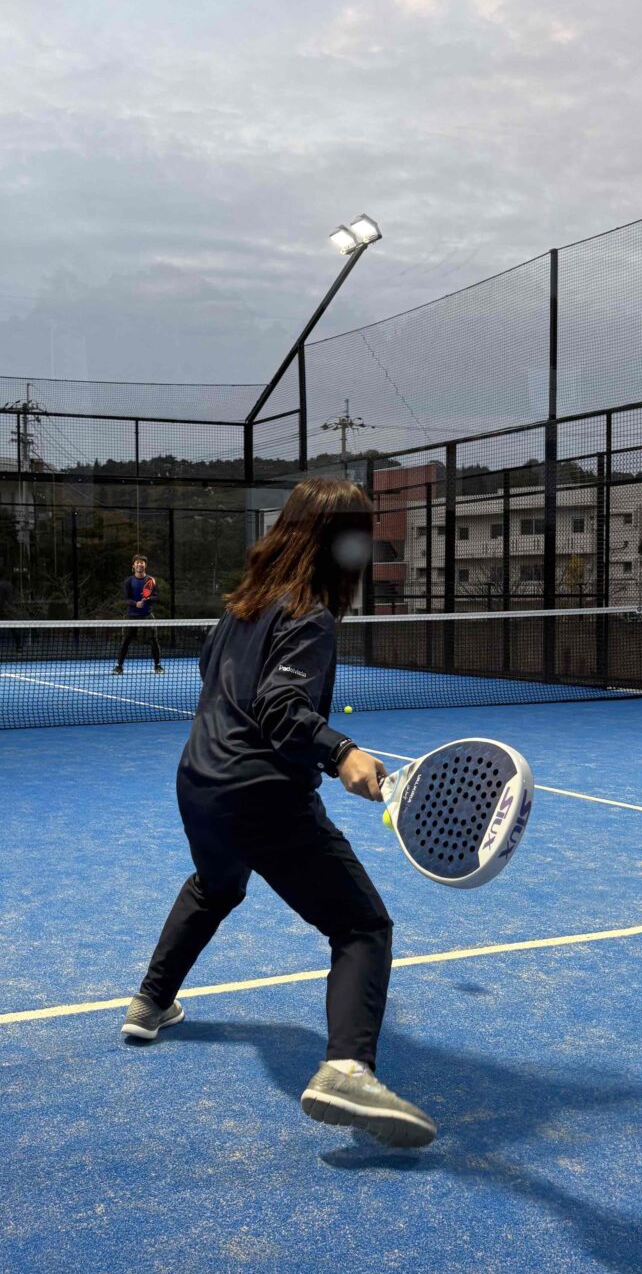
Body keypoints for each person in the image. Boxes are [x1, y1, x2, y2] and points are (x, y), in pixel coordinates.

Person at [120, 478, 436, 1149]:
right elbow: (282, 711)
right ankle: (348, 1070)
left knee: (216, 884)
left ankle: (150, 1002)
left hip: (198, 782)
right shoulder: (310, 613)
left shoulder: (241, 607)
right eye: (362, 531)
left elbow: (222, 688)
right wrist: (341, 750)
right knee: (361, 926)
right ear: (339, 542)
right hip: (260, 794)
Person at [112, 554, 165, 675]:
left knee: (154, 640)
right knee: (126, 640)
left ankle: (157, 666)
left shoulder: (151, 580)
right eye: (137, 562)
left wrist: (148, 599)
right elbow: (125, 599)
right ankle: (119, 666)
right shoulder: (129, 581)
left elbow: (156, 596)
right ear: (133, 566)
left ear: (145, 565)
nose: (140, 564)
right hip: (132, 615)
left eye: (142, 562)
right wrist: (135, 603)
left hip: (147, 615)